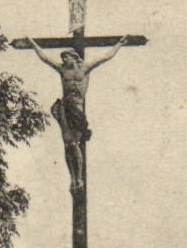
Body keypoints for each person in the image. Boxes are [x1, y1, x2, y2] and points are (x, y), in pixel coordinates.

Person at [27, 36, 128, 186]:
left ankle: (78, 177)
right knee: (67, 144)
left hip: (77, 109)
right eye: (62, 58)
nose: (63, 60)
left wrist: (119, 44)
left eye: (66, 57)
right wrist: (32, 43)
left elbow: (105, 57)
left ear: (73, 57)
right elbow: (45, 58)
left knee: (75, 144)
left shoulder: (85, 68)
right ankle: (72, 178)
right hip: (65, 108)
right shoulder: (62, 69)